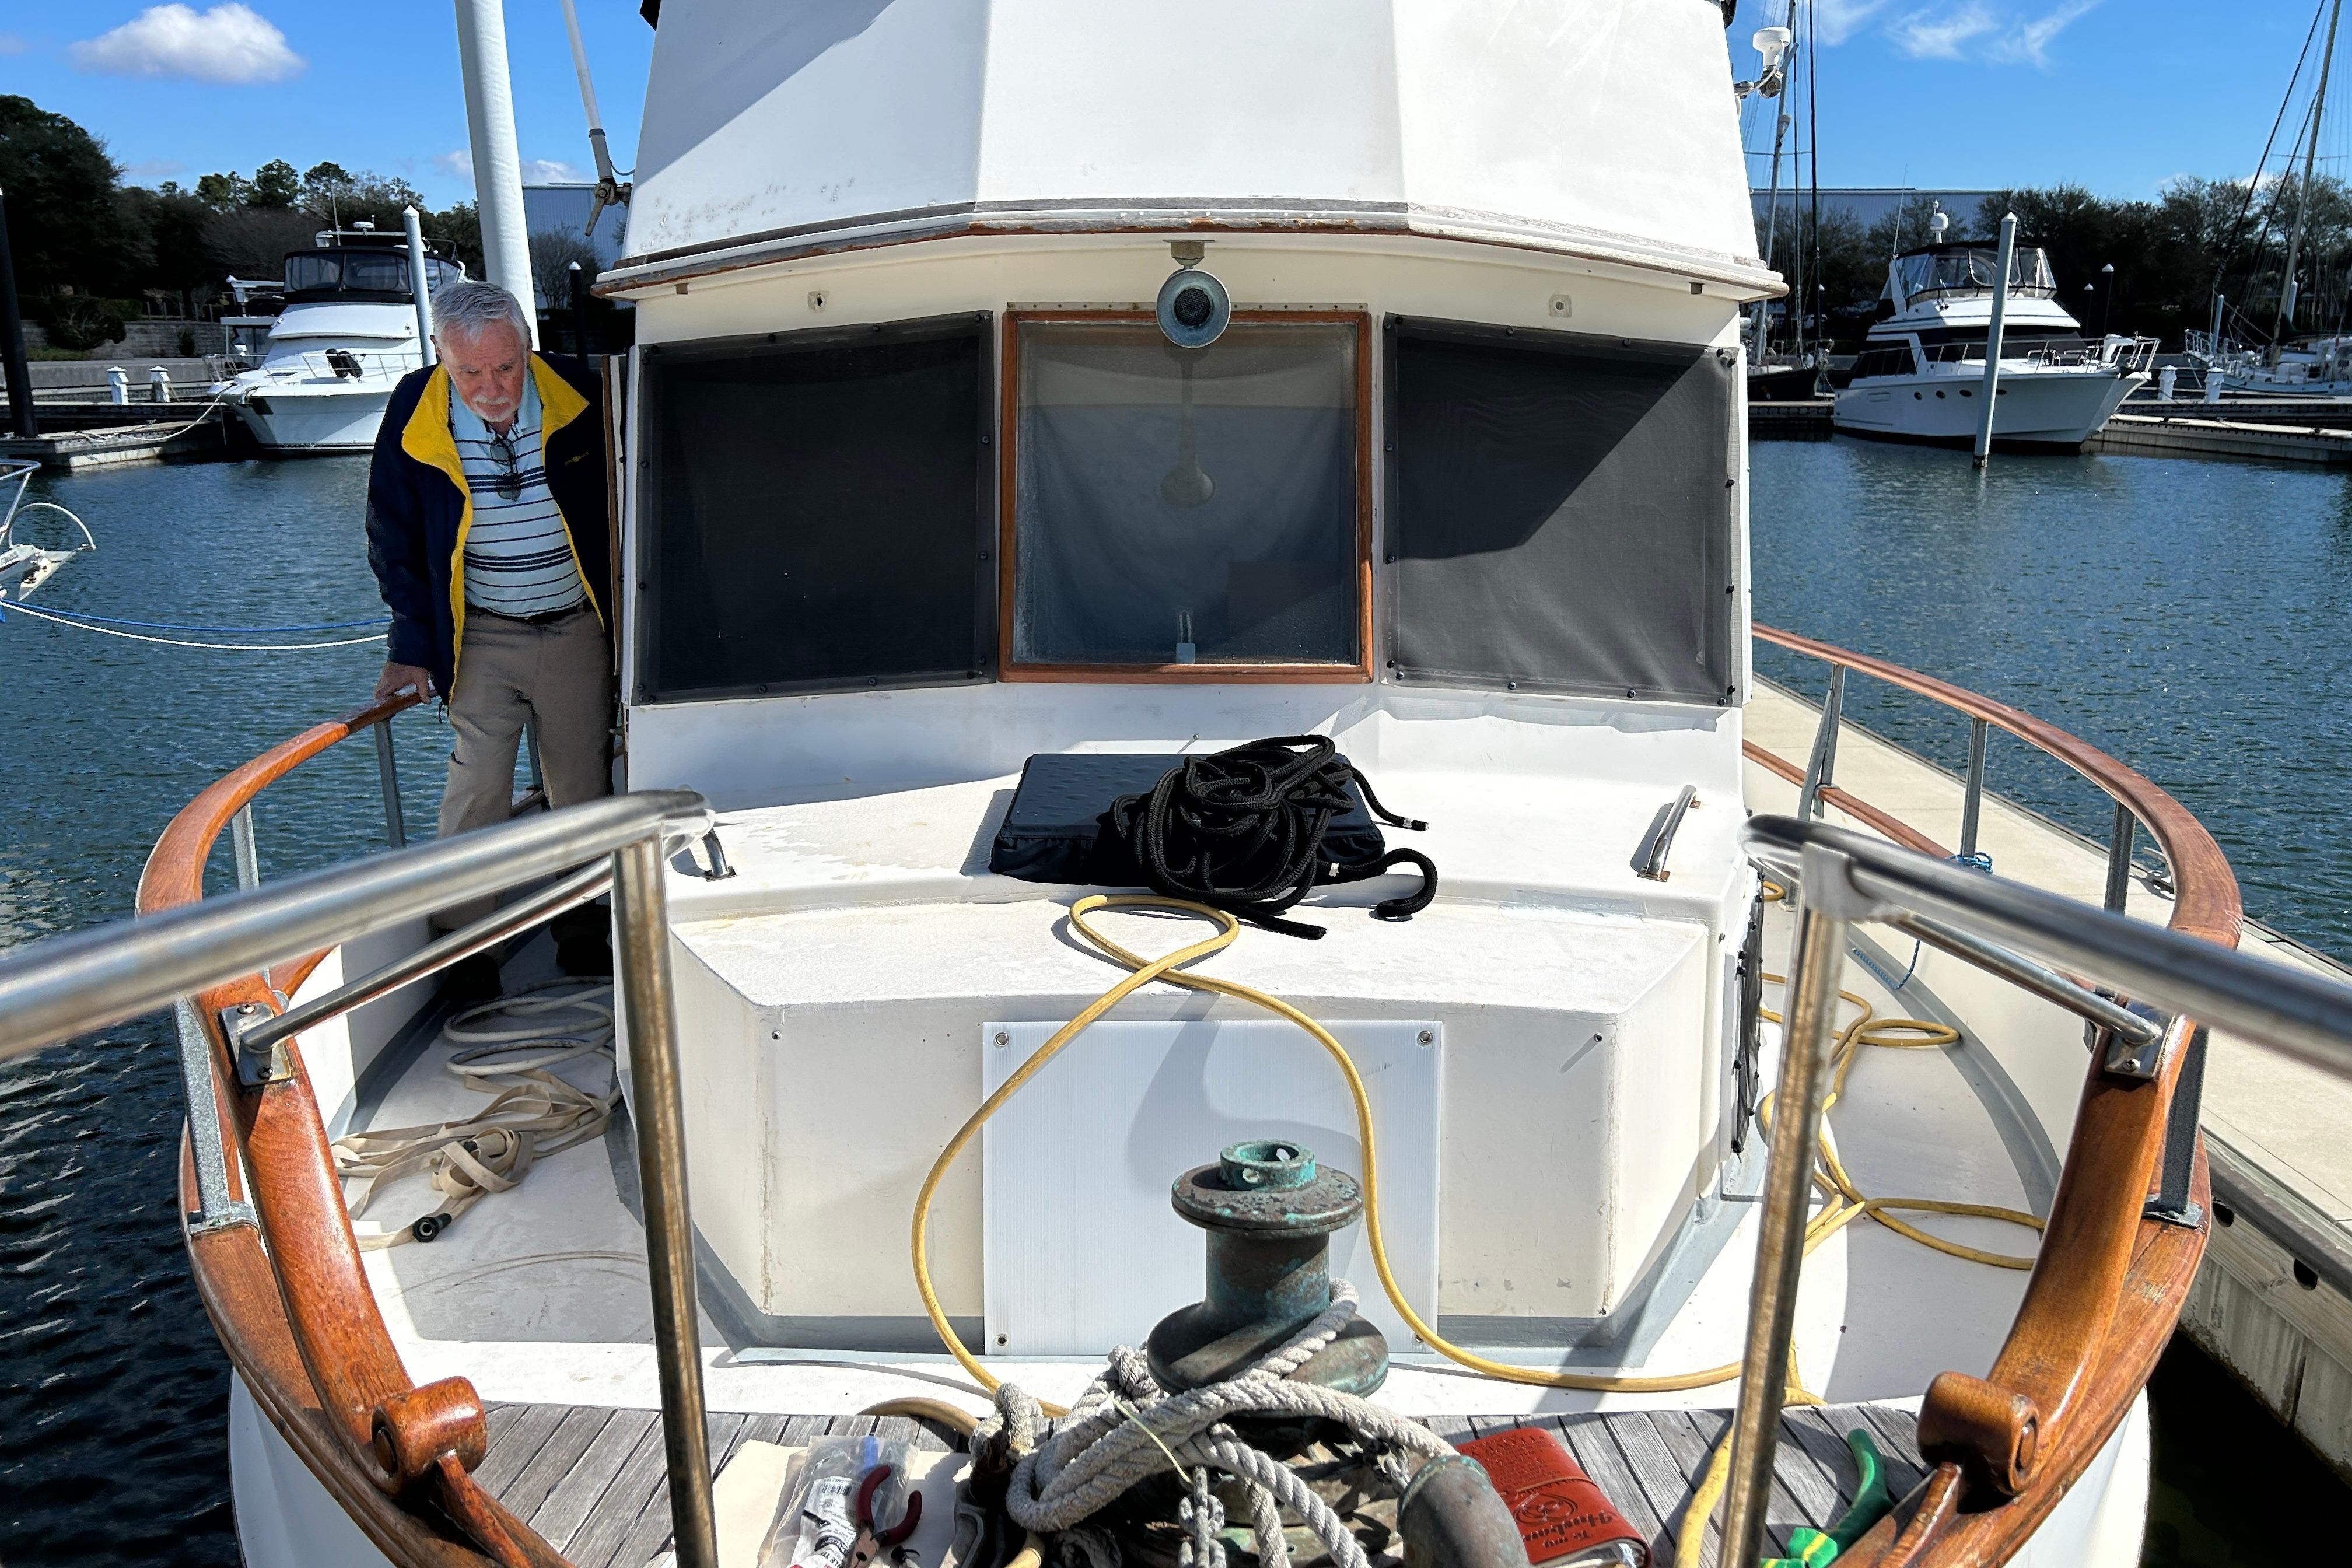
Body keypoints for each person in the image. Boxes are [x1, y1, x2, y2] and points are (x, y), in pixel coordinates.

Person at [365, 280, 614, 1000]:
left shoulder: (583, 392)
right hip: (480, 633)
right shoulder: (415, 408)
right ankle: (465, 948)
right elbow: (393, 536)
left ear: (527, 348)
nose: (490, 387)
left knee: (579, 785)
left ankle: (585, 929)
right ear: (441, 355)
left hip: (576, 626)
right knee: (476, 787)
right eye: (469, 371)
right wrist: (411, 645)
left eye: (504, 367)